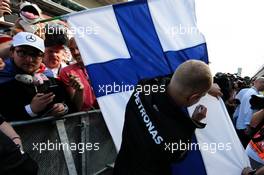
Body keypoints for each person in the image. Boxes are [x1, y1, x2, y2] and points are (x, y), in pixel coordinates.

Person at [113, 60, 213, 175]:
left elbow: (179, 78)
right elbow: (178, 157)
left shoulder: (144, 86)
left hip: (121, 168)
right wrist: (194, 122)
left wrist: (203, 86)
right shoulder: (178, 133)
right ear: (193, 97)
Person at [0, 32, 75, 121]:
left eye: (35, 54)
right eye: (22, 53)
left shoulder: (54, 82)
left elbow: (72, 108)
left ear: (42, 57)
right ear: (12, 53)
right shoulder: (3, 84)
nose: (29, 60)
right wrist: (31, 109)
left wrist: (63, 108)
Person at [59, 38, 97, 111]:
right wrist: (80, 91)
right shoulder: (67, 72)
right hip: (84, 118)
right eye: (72, 49)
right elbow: (76, 106)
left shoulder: (103, 67)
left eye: (78, 48)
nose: (75, 52)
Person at [236, 77, 264, 148]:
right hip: (245, 127)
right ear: (261, 83)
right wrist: (248, 126)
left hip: (242, 125)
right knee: (244, 148)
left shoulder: (251, 92)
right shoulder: (253, 94)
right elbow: (249, 110)